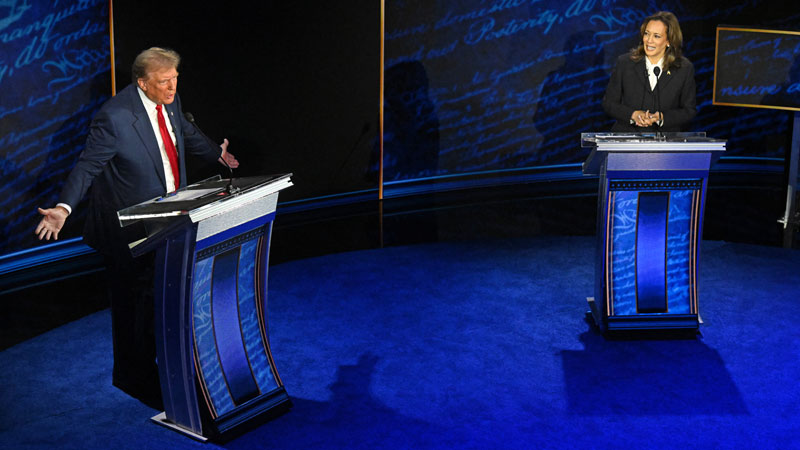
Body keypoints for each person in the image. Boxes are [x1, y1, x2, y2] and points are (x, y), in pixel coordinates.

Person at [34, 47, 239, 407]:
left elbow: (186, 133)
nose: (173, 87)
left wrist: (216, 155)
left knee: (162, 297)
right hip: (127, 230)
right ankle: (133, 377)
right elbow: (87, 167)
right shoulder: (114, 118)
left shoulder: (169, 99)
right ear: (143, 83)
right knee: (135, 306)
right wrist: (64, 208)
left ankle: (163, 368)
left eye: (176, 79)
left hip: (171, 218)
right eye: (164, 82)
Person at [602, 11, 697, 132]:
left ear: (669, 41)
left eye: (656, 36)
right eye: (647, 34)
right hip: (627, 137)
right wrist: (632, 115)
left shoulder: (684, 68)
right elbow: (609, 103)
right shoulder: (625, 63)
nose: (649, 40)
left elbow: (689, 110)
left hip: (665, 142)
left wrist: (661, 117)